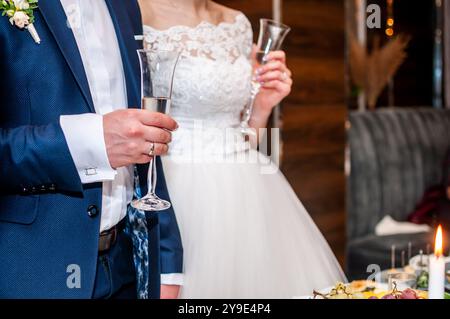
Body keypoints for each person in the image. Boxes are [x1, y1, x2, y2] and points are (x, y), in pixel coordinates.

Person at [139, 0, 346, 298]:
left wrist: (263, 105)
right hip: (178, 185)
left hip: (249, 186)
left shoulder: (236, 21)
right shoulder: (138, 13)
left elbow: (245, 132)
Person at [0, 0, 182, 299]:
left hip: (128, 267)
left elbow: (147, 136)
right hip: (32, 271)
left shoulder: (125, 5)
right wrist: (89, 144)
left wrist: (167, 261)